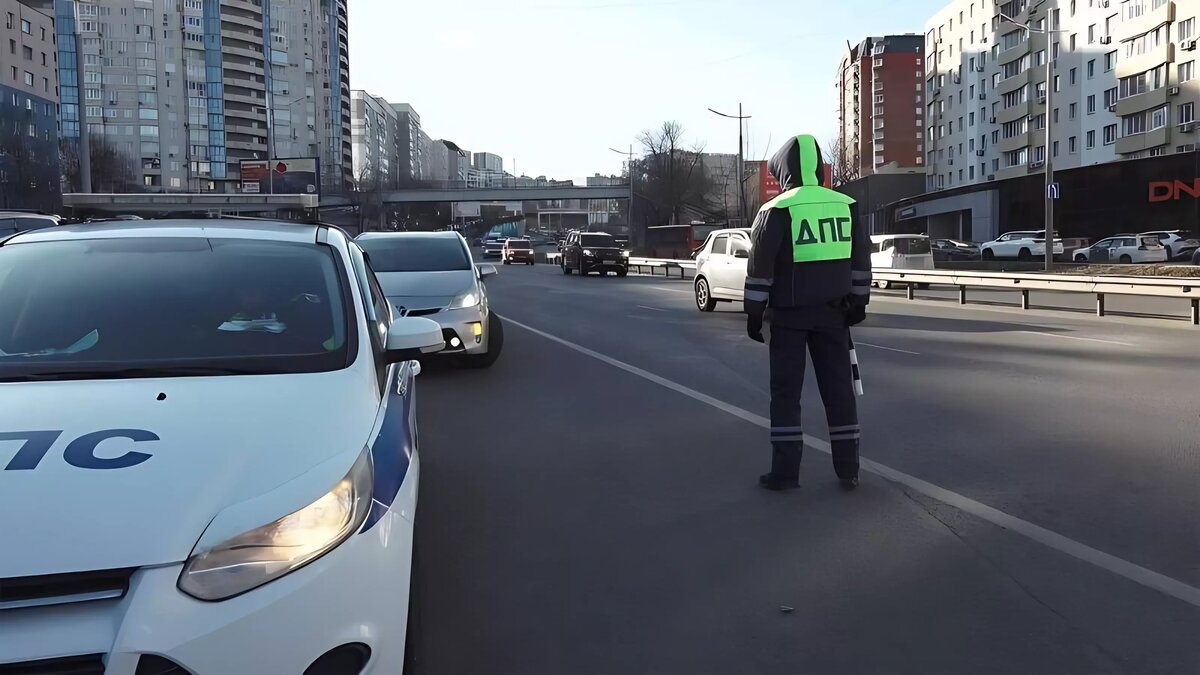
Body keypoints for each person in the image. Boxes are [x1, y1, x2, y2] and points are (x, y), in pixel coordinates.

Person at [743, 134, 871, 492]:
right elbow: (861, 258)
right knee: (839, 392)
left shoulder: (777, 209)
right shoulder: (845, 204)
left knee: (786, 395)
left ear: (784, 170)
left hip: (789, 317)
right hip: (834, 315)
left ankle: (785, 473)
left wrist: (754, 312)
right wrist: (859, 302)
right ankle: (849, 469)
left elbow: (760, 268)